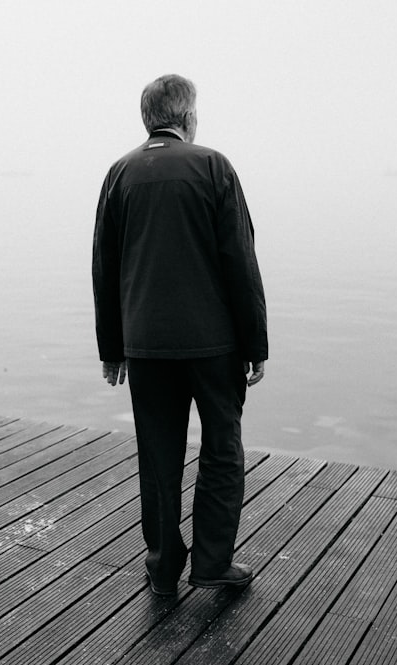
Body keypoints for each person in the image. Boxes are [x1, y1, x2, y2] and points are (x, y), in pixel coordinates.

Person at [92, 74, 268, 596]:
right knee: (221, 450)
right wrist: (255, 344)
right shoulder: (213, 166)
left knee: (159, 453)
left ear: (147, 118)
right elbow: (239, 258)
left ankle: (163, 564)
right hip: (213, 345)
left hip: (145, 345)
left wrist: (111, 349)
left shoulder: (119, 174)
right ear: (188, 117)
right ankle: (213, 563)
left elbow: (105, 268)